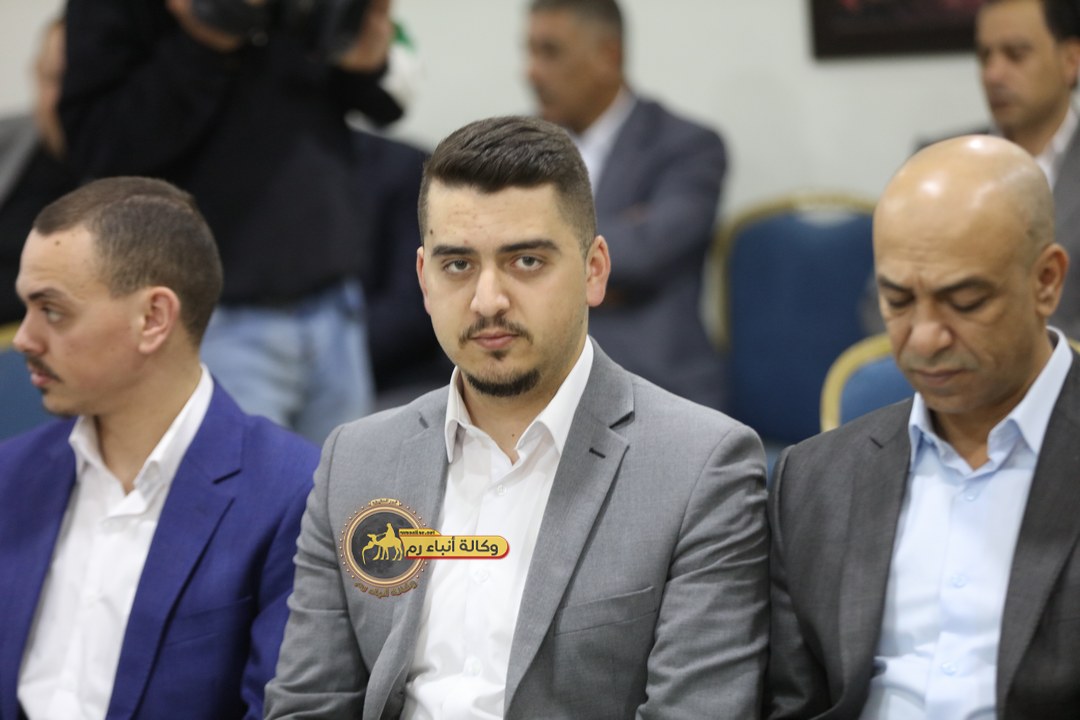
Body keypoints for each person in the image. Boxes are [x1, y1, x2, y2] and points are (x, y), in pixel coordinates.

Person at [264, 116, 769, 719]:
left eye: (526, 261)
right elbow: (309, 703)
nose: (488, 301)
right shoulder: (355, 459)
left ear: (594, 270)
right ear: (423, 279)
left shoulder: (700, 468)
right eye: (458, 265)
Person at [766, 136, 1080, 718]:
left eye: (966, 301)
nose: (926, 337)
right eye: (899, 301)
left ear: (1046, 281)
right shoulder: (814, 482)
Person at [0, 177, 320, 720]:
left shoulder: (294, 493)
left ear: (153, 318)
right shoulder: (12, 473)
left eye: (51, 310)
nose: (24, 338)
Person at [57, 0, 407, 443]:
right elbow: (98, 147)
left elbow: (371, 100)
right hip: (211, 318)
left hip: (335, 302)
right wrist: (206, 37)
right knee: (241, 488)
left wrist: (363, 60)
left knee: (351, 486)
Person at [525, 0, 728, 409]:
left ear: (608, 56)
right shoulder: (519, 148)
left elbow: (644, 255)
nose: (531, 71)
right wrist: (614, 236)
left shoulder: (687, 146)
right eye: (529, 51)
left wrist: (531, 253)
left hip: (656, 384)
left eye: (550, 51)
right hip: (536, 384)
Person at [0, 18, 78, 325]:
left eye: (74, 82)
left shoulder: (136, 175)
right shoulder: (8, 139)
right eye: (52, 79)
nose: (61, 99)